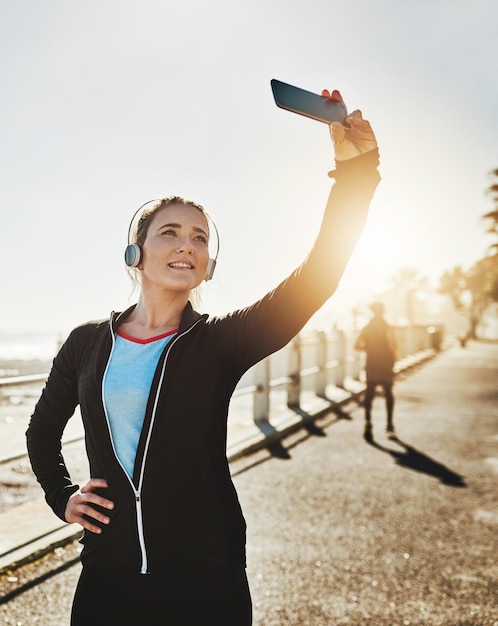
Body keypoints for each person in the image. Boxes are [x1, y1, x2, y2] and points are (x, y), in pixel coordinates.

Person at [26, 89, 381, 625]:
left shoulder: (220, 342)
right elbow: (41, 429)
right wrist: (64, 496)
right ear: (136, 252)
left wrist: (356, 175)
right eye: (168, 233)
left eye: (199, 238)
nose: (186, 245)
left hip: (205, 575)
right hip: (107, 573)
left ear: (208, 266)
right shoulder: (87, 343)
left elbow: (319, 278)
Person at [354, 301, 397, 441]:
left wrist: (369, 349)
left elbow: (356, 346)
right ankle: (389, 425)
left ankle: (367, 424)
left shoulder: (367, 327)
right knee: (388, 393)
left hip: (371, 364)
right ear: (382, 311)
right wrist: (393, 360)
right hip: (385, 365)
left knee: (369, 394)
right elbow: (392, 345)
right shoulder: (386, 327)